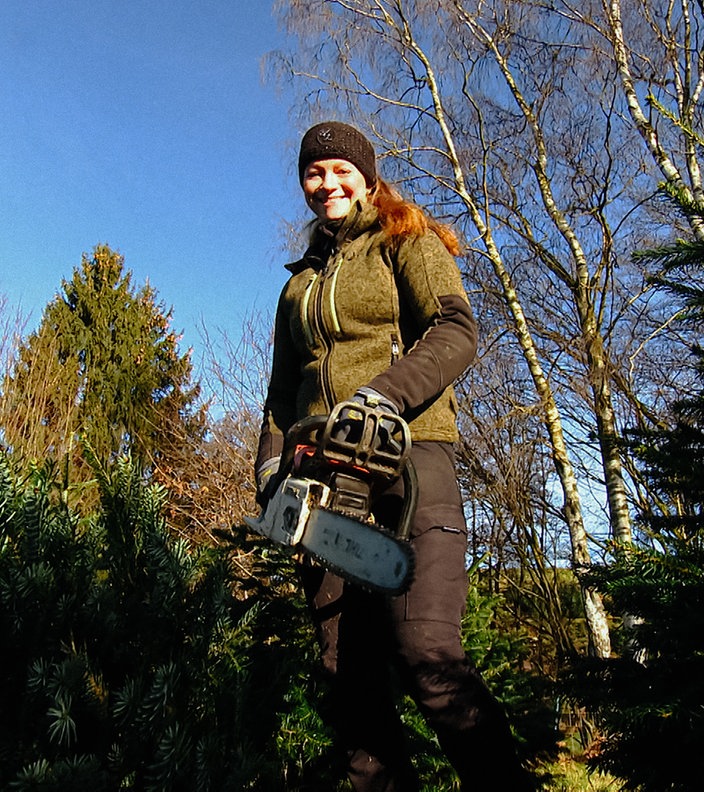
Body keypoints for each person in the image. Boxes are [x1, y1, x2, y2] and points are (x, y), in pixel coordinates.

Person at [255, 121, 533, 791]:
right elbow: (278, 397)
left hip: (408, 468)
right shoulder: (297, 287)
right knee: (348, 683)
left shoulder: (406, 239)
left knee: (425, 650)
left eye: (339, 170)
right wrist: (269, 474)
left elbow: (457, 329)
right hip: (321, 491)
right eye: (313, 173)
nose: (326, 184)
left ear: (366, 176)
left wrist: (379, 397)